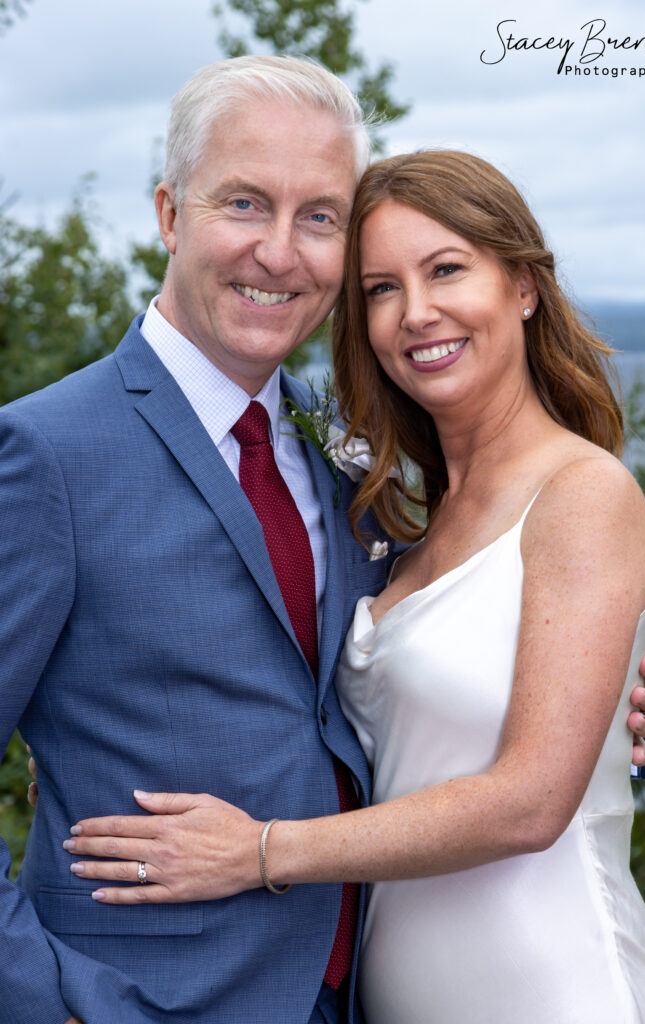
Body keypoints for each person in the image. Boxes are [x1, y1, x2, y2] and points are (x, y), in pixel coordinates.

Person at [63, 150, 645, 1024]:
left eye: (446, 270)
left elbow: (531, 804)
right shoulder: (400, 522)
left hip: (554, 987)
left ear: (522, 285)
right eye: (380, 289)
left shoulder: (581, 493)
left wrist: (260, 852)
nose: (415, 313)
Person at [0, 56, 392, 1024]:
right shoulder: (43, 450)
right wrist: (51, 1002)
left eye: (318, 217)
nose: (278, 253)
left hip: (363, 990)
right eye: (245, 204)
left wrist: (593, 708)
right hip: (140, 995)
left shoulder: (348, 449)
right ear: (170, 214)